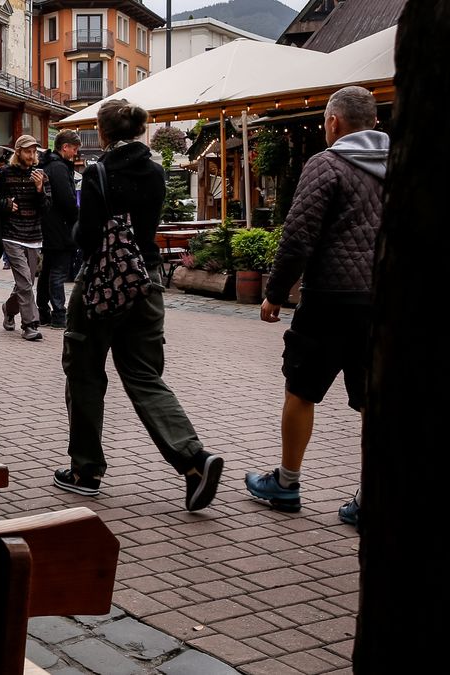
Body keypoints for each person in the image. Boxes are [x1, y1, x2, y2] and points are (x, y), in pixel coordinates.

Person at [52, 98, 223, 513]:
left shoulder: (97, 172)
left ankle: (85, 470)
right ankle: (193, 460)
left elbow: (87, 236)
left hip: (101, 286)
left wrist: (82, 229)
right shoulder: (157, 171)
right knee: (145, 375)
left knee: (85, 372)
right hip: (145, 282)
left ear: (104, 133)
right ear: (141, 131)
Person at [244, 86, 387, 528]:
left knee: (302, 389)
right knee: (373, 401)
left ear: (332, 122)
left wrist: (274, 292)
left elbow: (298, 236)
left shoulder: (326, 164)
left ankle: (286, 483)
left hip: (328, 298)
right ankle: (372, 498)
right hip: (381, 302)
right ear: (376, 125)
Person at [0, 134, 51, 341]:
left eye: (34, 152)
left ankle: (9, 309)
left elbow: (47, 208)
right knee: (24, 281)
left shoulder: (41, 175)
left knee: (26, 282)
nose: (32, 155)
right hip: (11, 234)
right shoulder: (4, 173)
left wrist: (39, 190)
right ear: (18, 152)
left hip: (34, 235)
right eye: (28, 151)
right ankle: (30, 324)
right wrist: (6, 204)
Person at [36, 130, 81, 329]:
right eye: (74, 149)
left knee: (47, 270)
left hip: (47, 226)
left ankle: (43, 312)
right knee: (57, 272)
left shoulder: (47, 165)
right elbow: (67, 200)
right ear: (65, 147)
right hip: (60, 227)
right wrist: (76, 218)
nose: (75, 153)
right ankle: (59, 314)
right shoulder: (59, 168)